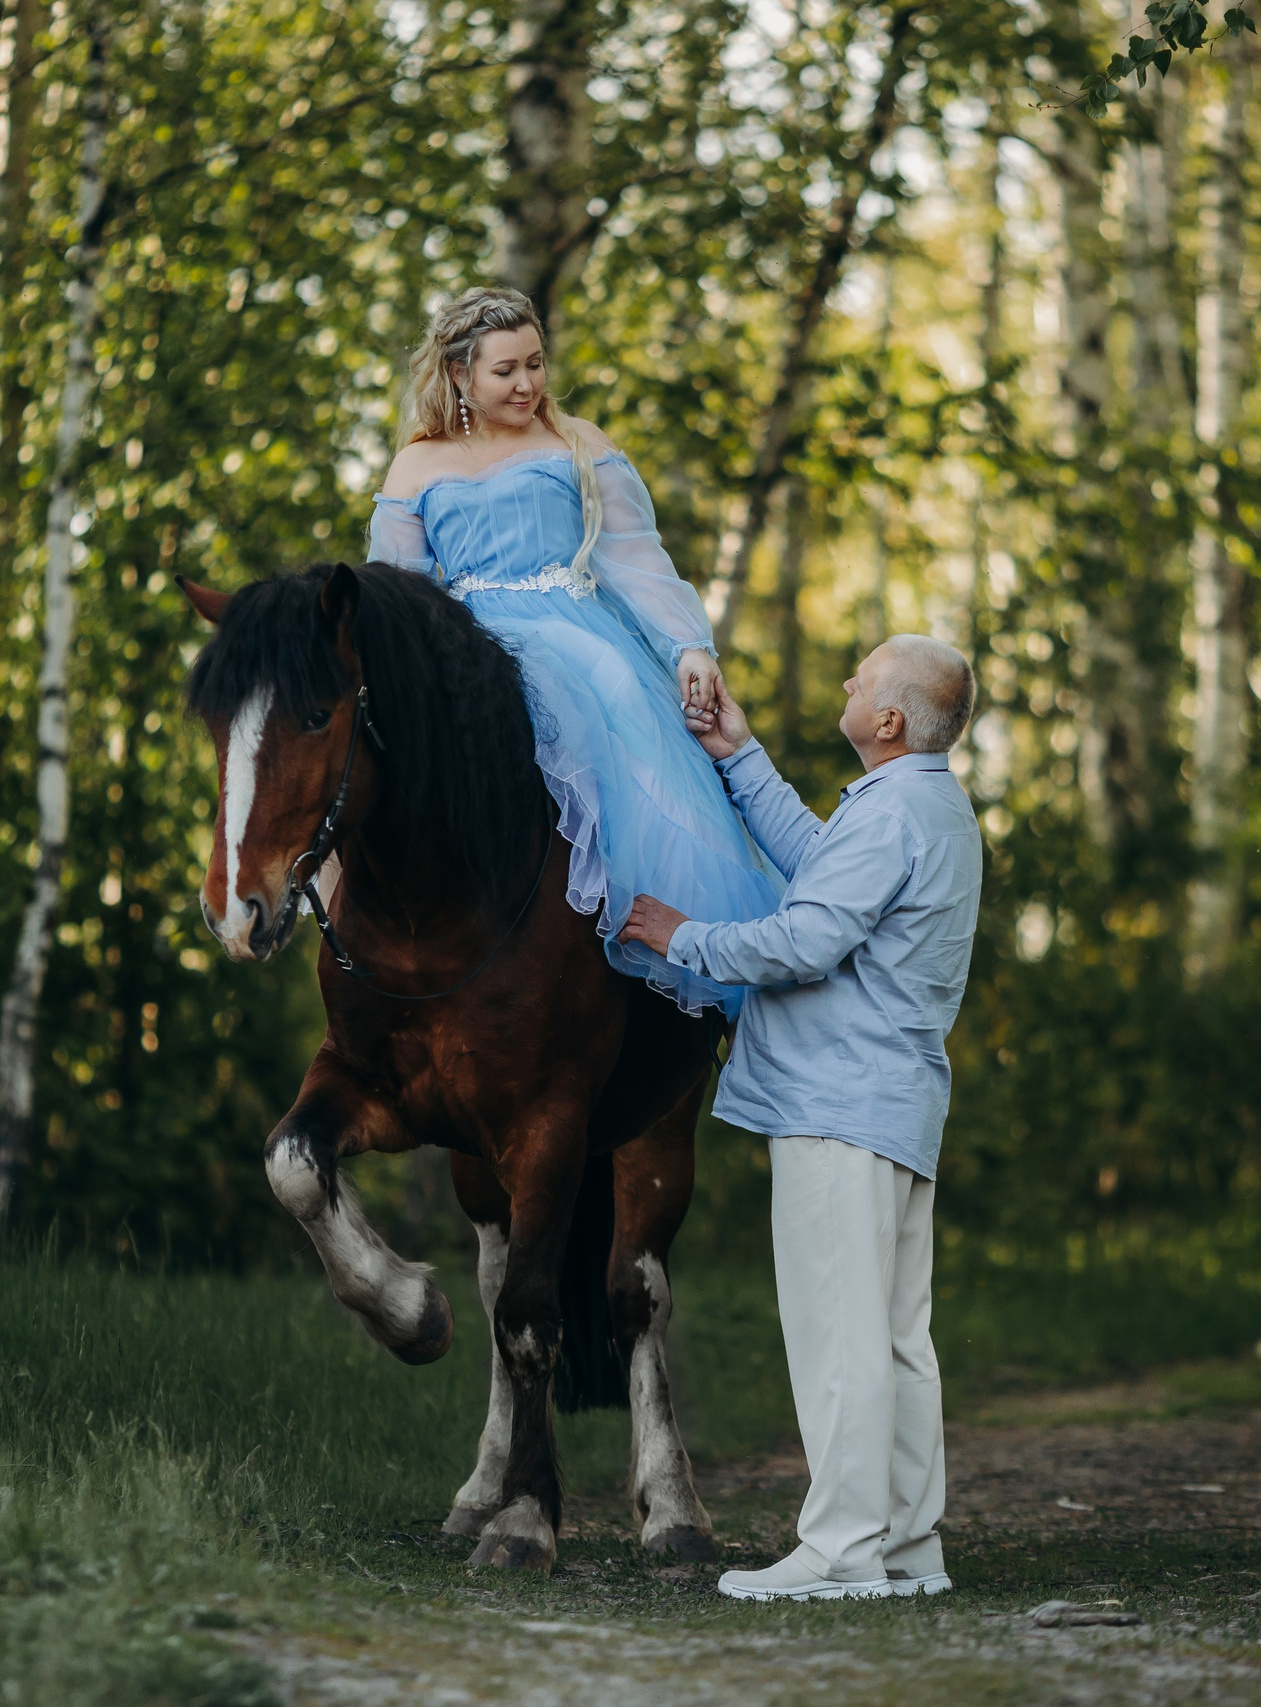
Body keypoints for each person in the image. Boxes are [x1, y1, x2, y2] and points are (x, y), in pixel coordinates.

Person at [619, 636, 983, 1602]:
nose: (848, 685)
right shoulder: (927, 807)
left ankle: (840, 1551)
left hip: (837, 1101)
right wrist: (740, 756)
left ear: (892, 721)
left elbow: (809, 936)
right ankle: (908, 1546)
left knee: (840, 1334)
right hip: (892, 1102)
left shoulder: (893, 812)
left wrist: (680, 934)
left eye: (861, 679)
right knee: (900, 1337)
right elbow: (826, 869)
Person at [367, 287, 782, 1015]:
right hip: (468, 647)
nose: (526, 383)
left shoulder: (578, 442)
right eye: (505, 371)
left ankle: (649, 936)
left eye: (535, 363)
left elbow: (635, 556)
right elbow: (398, 596)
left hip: (577, 635)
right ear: (460, 375)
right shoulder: (416, 466)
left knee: (617, 696)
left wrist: (689, 646)